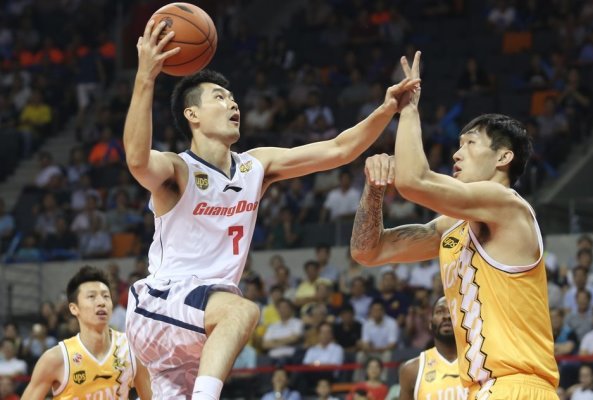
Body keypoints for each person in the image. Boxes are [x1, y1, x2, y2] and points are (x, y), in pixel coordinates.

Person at [123, 18, 421, 400]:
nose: (232, 103)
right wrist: (145, 77)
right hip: (162, 302)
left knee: (233, 315)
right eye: (219, 97)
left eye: (233, 98)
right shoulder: (178, 169)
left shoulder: (255, 166)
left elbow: (340, 149)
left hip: (200, 325)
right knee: (243, 311)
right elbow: (136, 160)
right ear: (192, 115)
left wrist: (388, 108)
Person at [350, 51, 559, 399]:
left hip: (516, 385)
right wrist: (373, 190)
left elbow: (414, 181)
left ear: (503, 157)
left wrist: (409, 109)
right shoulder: (453, 225)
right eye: (458, 145)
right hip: (482, 389)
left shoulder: (507, 205)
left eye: (470, 144)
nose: (456, 154)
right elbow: (367, 252)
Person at [21, 266, 151, 399]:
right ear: (74, 308)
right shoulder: (56, 359)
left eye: (106, 296)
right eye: (91, 296)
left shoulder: (131, 350)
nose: (101, 302)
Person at [398, 296, 468, 400]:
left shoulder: (479, 363)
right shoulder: (412, 370)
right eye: (440, 311)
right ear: (430, 324)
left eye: (452, 311)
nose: (447, 316)